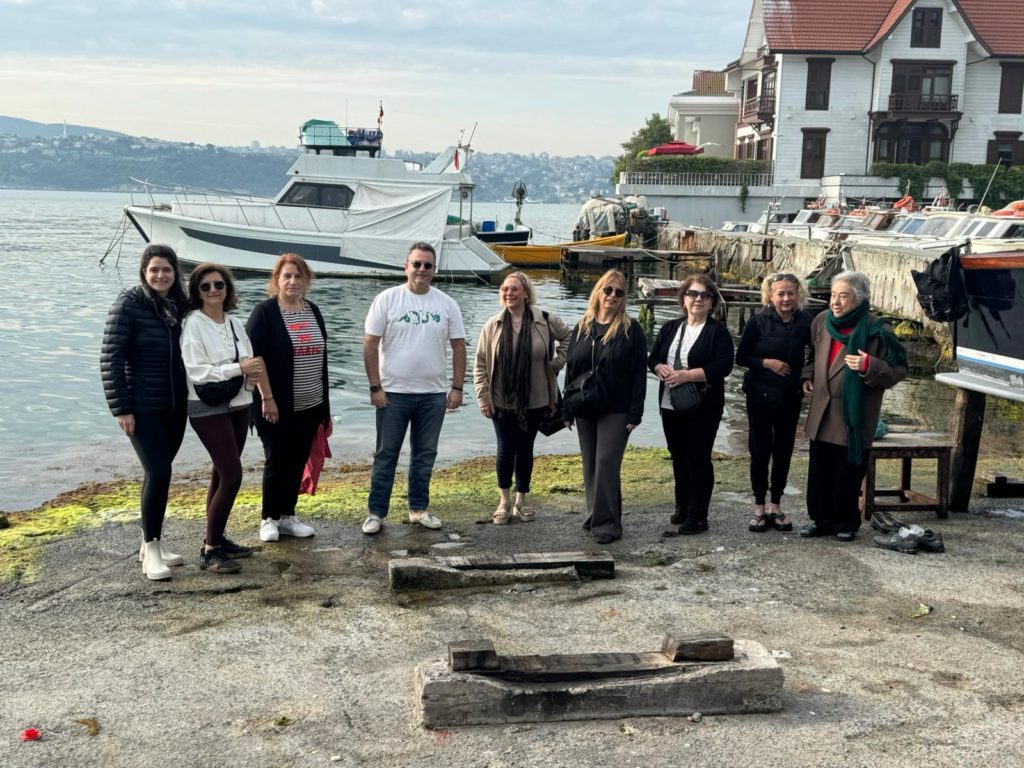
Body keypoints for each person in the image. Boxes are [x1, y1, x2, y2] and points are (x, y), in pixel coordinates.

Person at [361, 242, 467, 535]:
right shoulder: (387, 299)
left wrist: (457, 387)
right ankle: (376, 512)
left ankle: (418, 509)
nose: (422, 270)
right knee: (386, 454)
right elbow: (370, 344)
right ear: (406, 266)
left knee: (425, 454)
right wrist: (375, 387)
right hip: (393, 393)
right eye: (416, 264)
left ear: (434, 269)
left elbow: (459, 347)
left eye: (427, 265)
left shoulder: (446, 304)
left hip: (433, 394)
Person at [101, 244, 189, 581]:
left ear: (174, 273)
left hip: (175, 405)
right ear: (144, 272)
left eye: (166, 269)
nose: (161, 275)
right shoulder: (128, 304)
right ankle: (151, 552)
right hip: (141, 406)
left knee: (158, 474)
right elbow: (110, 358)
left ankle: (151, 542)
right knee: (160, 472)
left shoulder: (179, 306)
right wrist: (122, 409)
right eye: (154, 269)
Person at [800, 270, 907, 542]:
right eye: (833, 295)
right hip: (822, 411)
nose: (835, 302)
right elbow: (813, 355)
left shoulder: (878, 330)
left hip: (854, 416)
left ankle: (845, 522)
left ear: (859, 299)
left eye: (843, 296)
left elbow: (898, 370)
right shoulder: (822, 321)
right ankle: (820, 519)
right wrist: (808, 375)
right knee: (820, 470)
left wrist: (870, 365)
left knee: (847, 472)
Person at [181, 264, 262, 573]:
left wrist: (252, 388)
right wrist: (237, 369)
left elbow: (250, 360)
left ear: (227, 289)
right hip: (207, 406)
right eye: (206, 286)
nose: (213, 290)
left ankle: (216, 538)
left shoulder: (235, 323)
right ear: (197, 292)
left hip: (240, 403)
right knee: (232, 475)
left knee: (220, 472)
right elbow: (197, 371)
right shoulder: (194, 324)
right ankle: (210, 550)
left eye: (219, 284)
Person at [473, 271, 572, 524]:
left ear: (526, 293)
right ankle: (504, 500)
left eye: (514, 289)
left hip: (536, 398)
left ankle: (521, 500)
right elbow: (481, 363)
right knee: (506, 448)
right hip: (501, 397)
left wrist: (555, 364)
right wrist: (483, 398)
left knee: (525, 448)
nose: (508, 293)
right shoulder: (492, 324)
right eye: (505, 289)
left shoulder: (544, 320)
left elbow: (570, 339)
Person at [246, 253, 328, 543]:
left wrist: (324, 407)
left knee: (297, 459)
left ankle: (288, 516)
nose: (293, 281)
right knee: (276, 459)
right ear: (277, 280)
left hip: (310, 402)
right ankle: (268, 518)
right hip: (275, 404)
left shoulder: (313, 310)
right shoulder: (265, 312)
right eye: (287, 276)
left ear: (306, 280)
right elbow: (255, 360)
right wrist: (267, 398)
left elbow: (321, 359)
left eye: (298, 276)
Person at [563, 269, 647, 544]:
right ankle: (594, 513)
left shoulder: (631, 330)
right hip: (585, 404)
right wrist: (566, 409)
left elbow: (638, 373)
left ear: (624, 298)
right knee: (590, 463)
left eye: (619, 292)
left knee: (606, 462)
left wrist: (636, 412)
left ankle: (609, 522)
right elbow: (571, 368)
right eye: (608, 290)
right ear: (598, 292)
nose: (612, 295)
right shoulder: (583, 326)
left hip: (617, 406)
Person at [648, 275, 734, 535]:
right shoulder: (670, 327)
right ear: (683, 298)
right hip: (670, 401)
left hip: (703, 404)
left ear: (712, 302)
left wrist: (687, 374)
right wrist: (659, 367)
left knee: (698, 456)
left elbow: (724, 366)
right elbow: (653, 357)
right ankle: (682, 505)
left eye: (705, 295)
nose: (698, 299)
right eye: (693, 294)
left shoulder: (717, 331)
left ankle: (698, 515)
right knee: (678, 454)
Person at [735, 273, 812, 532]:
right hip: (760, 394)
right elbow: (741, 357)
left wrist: (807, 376)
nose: (786, 298)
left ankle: (775, 505)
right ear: (770, 295)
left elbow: (814, 354)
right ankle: (758, 506)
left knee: (783, 450)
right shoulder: (758, 322)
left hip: (791, 396)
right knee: (759, 450)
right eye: (780, 293)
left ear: (798, 294)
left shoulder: (806, 321)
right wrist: (767, 363)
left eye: (790, 293)